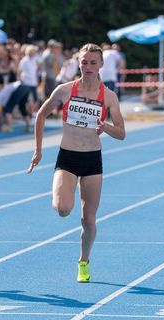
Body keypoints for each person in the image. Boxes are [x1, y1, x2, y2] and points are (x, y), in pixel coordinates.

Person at [27, 43, 125, 283]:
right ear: (78, 64)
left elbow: (121, 132)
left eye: (93, 62)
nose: (88, 67)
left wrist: (107, 127)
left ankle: (84, 261)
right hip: (68, 157)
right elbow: (40, 115)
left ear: (101, 65)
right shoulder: (65, 90)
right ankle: (61, 198)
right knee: (63, 208)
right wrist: (38, 151)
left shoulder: (108, 96)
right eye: (84, 62)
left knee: (88, 219)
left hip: (92, 160)